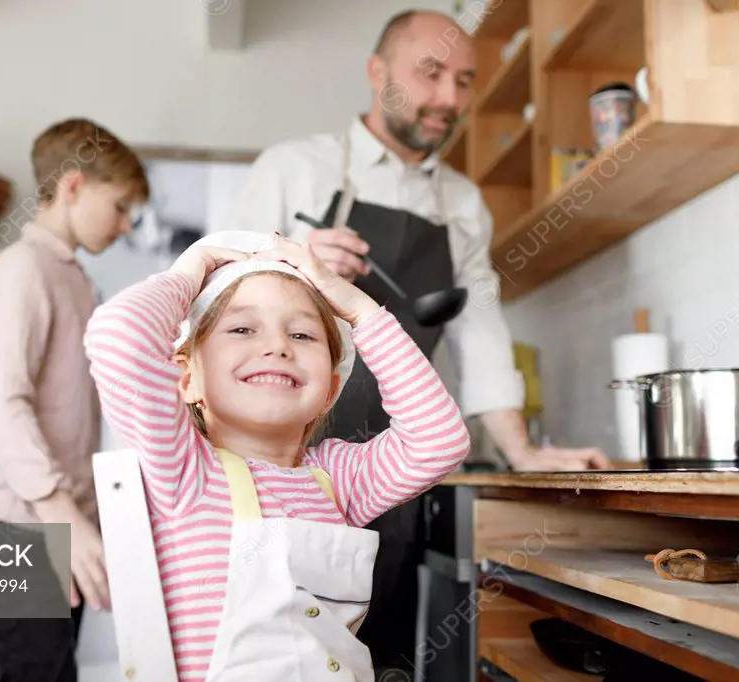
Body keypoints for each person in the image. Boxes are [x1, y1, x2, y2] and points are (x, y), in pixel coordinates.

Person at [220, 9, 611, 677]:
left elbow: (480, 327)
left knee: (382, 645)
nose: (451, 100)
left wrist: (521, 449)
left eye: (464, 81)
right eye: (430, 73)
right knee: (271, 647)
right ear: (378, 74)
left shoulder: (462, 203)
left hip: (391, 467)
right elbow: (211, 295)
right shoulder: (295, 169)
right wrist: (288, 260)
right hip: (279, 463)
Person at [82, 230, 471, 681]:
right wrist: (192, 267)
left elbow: (439, 441)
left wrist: (361, 311)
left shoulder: (335, 480)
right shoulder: (183, 468)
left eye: (303, 333)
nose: (277, 346)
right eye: (243, 328)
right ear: (187, 380)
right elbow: (116, 336)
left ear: (329, 390)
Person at [0, 117, 149, 682]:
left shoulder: (76, 280)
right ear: (72, 188)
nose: (126, 223)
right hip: (22, 520)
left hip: (50, 521)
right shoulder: (24, 268)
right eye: (119, 206)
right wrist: (60, 512)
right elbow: (3, 402)